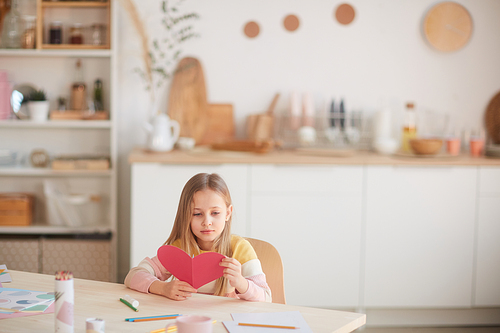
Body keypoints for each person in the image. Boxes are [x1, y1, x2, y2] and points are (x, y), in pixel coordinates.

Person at [125, 173, 272, 302]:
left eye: (215, 213)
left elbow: (266, 297)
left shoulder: (240, 249)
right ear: (186, 216)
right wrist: (162, 288)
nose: (207, 222)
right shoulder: (180, 249)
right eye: (197, 214)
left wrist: (241, 282)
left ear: (228, 213)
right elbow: (133, 276)